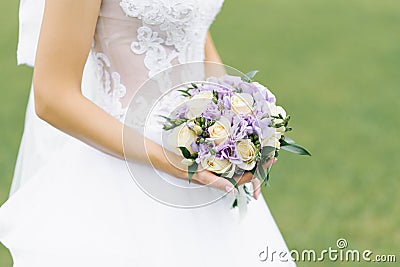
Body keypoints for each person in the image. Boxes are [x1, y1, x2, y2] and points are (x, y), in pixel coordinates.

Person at [0, 0, 296, 266]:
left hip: (206, 160)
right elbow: (52, 96)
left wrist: (243, 127)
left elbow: (194, 38)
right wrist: (175, 163)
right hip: (126, 165)